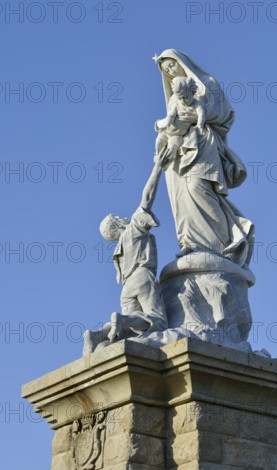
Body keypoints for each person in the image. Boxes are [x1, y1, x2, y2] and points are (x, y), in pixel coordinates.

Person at [154, 49, 254, 265]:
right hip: (179, 150)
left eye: (171, 64)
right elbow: (169, 124)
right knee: (181, 197)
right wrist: (163, 136)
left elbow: (227, 114)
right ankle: (190, 243)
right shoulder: (173, 99)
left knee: (199, 188)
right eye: (165, 70)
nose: (170, 71)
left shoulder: (206, 83)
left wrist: (201, 117)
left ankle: (222, 244)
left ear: (180, 61)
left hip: (203, 142)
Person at [83, 152, 168, 355]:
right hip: (142, 278)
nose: (123, 217)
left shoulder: (118, 252)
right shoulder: (133, 231)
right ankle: (120, 320)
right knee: (159, 322)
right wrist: (158, 167)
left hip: (127, 288)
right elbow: (147, 198)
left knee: (133, 331)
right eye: (119, 217)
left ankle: (98, 334)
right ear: (119, 224)